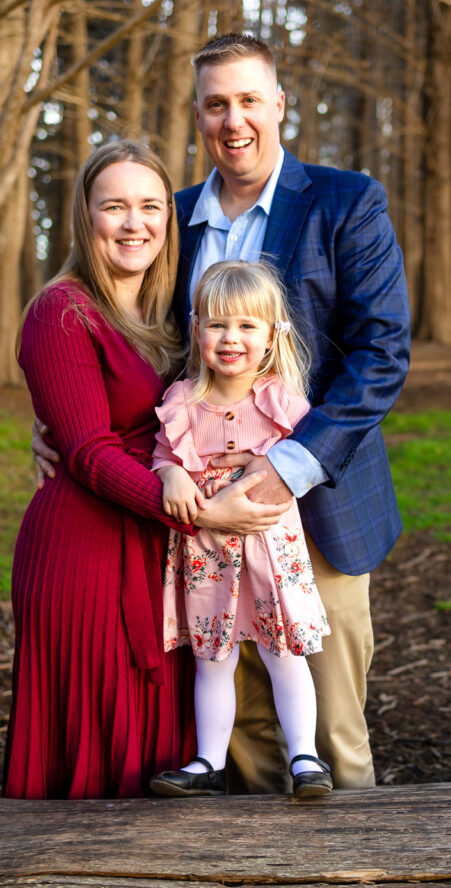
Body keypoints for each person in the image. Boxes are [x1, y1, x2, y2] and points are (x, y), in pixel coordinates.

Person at [33, 33, 411, 793]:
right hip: (198, 517)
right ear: (197, 115)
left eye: (247, 100)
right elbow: (122, 334)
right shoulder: (168, 218)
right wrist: (58, 421)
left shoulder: (344, 202)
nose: (232, 119)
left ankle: (363, 865)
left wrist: (284, 469)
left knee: (329, 722)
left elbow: (381, 354)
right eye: (214, 104)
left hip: (316, 507)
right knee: (232, 723)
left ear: (278, 105)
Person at [4, 140, 288, 799]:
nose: (135, 223)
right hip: (88, 551)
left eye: (150, 206)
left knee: (162, 742)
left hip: (158, 543)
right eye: (115, 206)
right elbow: (88, 450)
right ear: (85, 216)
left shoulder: (162, 312)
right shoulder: (61, 310)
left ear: (169, 216)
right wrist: (200, 512)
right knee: (102, 737)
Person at [149, 261, 332, 798]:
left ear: (273, 335)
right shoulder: (182, 401)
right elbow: (162, 455)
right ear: (197, 328)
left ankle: (304, 756)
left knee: (284, 653)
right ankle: (208, 760)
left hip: (270, 548)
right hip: (206, 552)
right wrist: (172, 472)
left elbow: (307, 461)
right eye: (218, 324)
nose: (231, 338)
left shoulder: (282, 400)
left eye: (248, 326)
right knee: (212, 658)